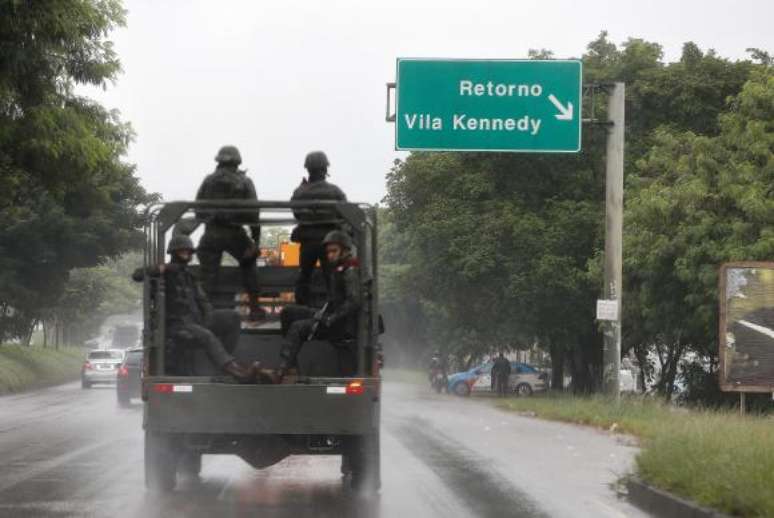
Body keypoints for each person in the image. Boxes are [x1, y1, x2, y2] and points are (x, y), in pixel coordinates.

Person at [133, 235, 258, 382]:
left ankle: (223, 364)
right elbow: (137, 275)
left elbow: (202, 300)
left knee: (233, 317)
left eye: (188, 251)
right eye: (182, 251)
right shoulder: (166, 273)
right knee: (206, 335)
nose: (186, 254)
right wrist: (161, 268)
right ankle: (237, 372)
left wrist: (209, 316)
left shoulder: (189, 276)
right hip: (178, 325)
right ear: (173, 252)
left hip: (196, 320)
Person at [278, 229, 359, 378]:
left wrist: (330, 318)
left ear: (345, 250)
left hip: (339, 325)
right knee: (288, 312)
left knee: (297, 327)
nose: (330, 255)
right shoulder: (338, 269)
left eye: (334, 251)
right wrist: (322, 314)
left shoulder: (349, 270)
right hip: (330, 317)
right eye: (328, 252)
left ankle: (282, 370)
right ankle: (292, 368)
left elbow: (353, 302)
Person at [196, 145, 262, 320]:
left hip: (211, 234)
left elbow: (198, 211)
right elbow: (254, 214)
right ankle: (254, 308)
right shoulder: (245, 182)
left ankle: (202, 314)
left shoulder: (208, 181)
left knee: (207, 276)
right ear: (237, 162)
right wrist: (255, 243)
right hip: (235, 233)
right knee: (249, 264)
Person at [290, 151, 348, 305]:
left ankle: (302, 306)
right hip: (329, 241)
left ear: (308, 169)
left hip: (308, 241)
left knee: (304, 275)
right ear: (325, 169)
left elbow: (296, 213)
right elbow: (346, 213)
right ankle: (334, 306)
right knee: (332, 276)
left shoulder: (300, 191)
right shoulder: (335, 191)